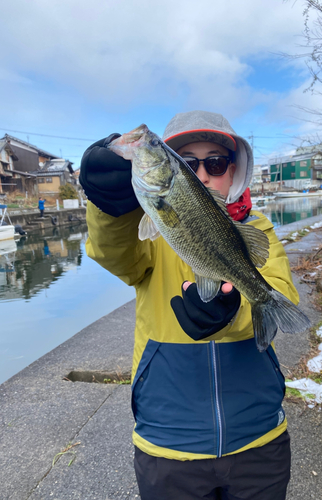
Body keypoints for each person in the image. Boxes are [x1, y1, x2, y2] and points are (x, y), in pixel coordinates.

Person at [80, 110, 300, 500]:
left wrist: (236, 310)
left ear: (234, 170)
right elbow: (114, 253)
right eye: (187, 162)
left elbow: (281, 287)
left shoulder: (259, 228)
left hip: (259, 438)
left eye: (215, 163)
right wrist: (109, 208)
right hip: (168, 442)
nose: (202, 174)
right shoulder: (147, 231)